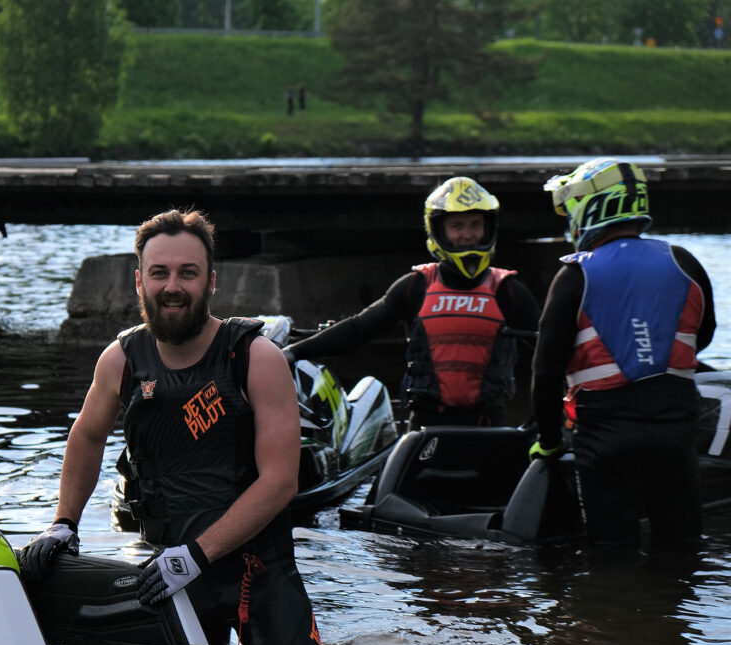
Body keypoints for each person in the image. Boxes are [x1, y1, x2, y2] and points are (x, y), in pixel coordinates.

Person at [20, 208, 328, 645]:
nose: (172, 287)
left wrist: (197, 556)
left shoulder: (254, 357)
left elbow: (281, 482)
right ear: (139, 282)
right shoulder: (121, 359)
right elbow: (86, 435)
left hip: (258, 574)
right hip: (168, 576)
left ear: (211, 282)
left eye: (188, 272)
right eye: (159, 273)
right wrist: (64, 522)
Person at [531, 158, 716, 548]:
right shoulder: (683, 260)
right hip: (676, 434)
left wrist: (548, 441)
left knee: (611, 561)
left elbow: (545, 372)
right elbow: (704, 336)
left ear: (589, 208)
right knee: (680, 555)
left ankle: (611, 606)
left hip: (606, 440)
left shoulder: (575, 274)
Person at [283, 176, 541, 429]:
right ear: (439, 230)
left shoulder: (507, 291)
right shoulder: (416, 286)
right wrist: (293, 352)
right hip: (427, 427)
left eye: (475, 225)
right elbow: (358, 329)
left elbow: (549, 349)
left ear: (488, 229)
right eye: (457, 226)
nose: (468, 234)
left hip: (490, 427)